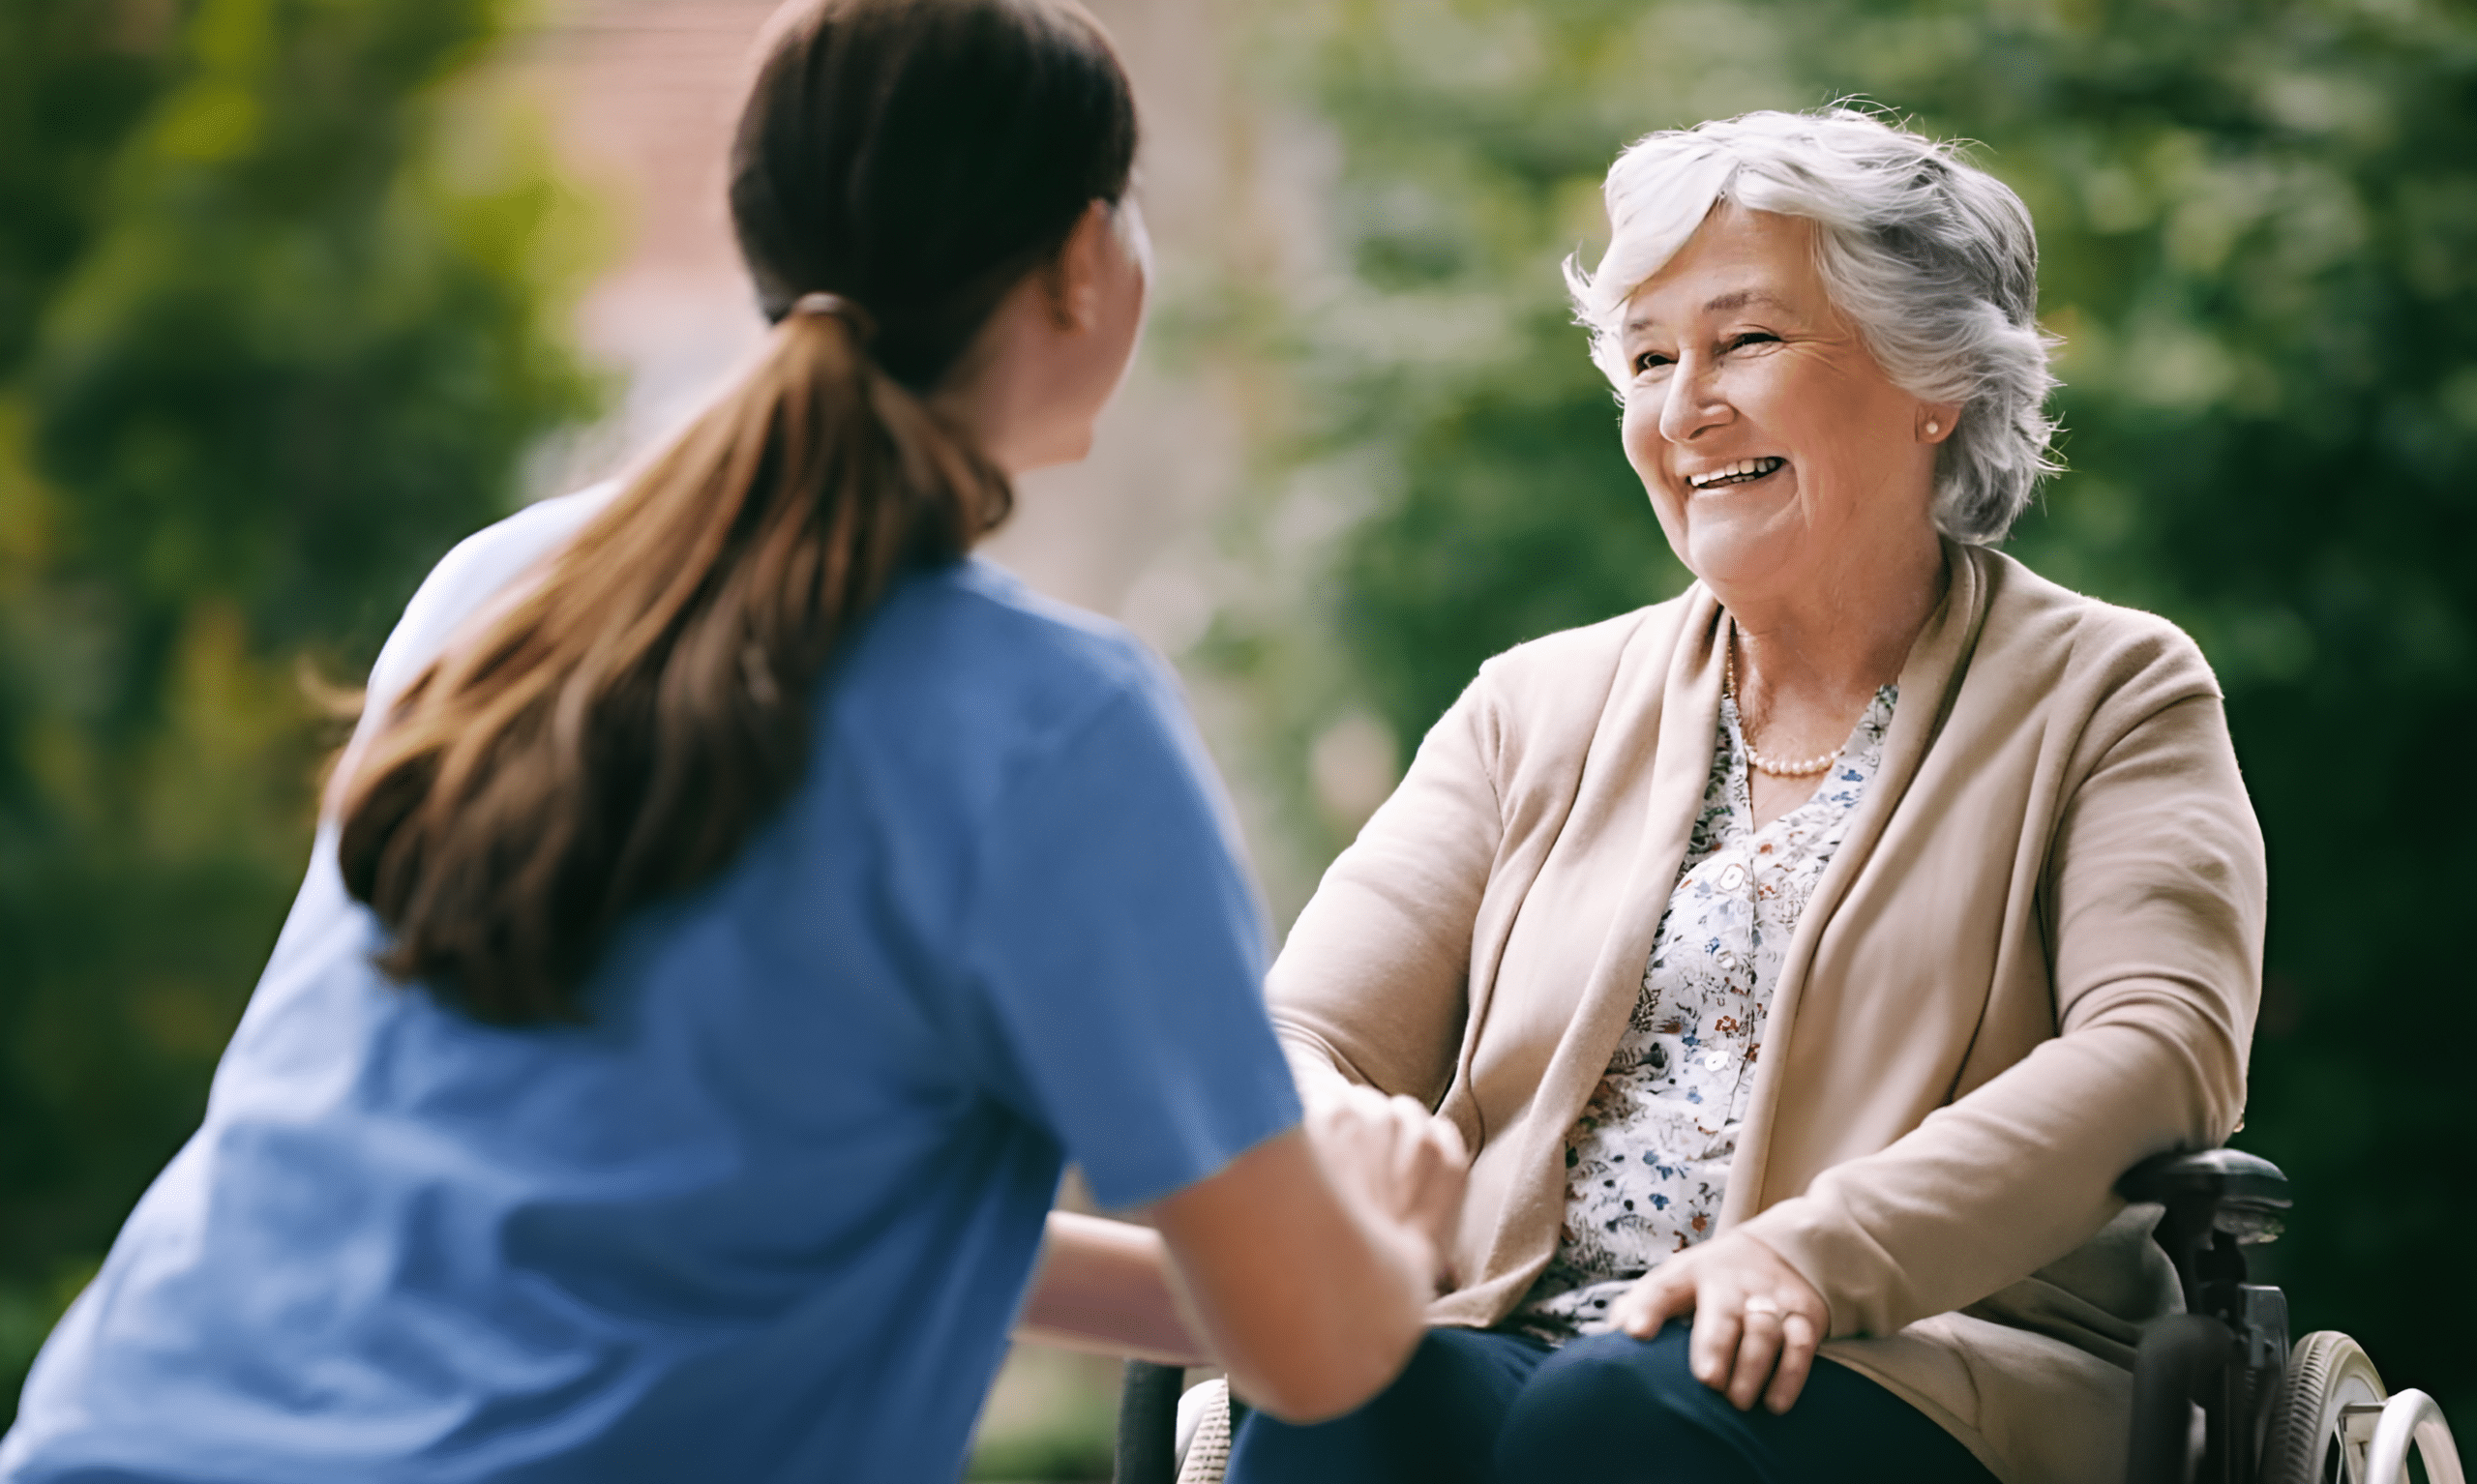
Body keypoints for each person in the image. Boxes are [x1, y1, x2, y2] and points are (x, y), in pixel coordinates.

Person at [0, 3, 1464, 1480]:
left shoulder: (501, 589)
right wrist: (1386, 1243)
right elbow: (1316, 1354)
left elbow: (736, 1205)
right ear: (1083, 264)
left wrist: (1224, 1282)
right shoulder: (1056, 728)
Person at [1227, 107, 2265, 1484]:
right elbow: (1303, 1032)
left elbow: (2160, 1049)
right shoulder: (1529, 705)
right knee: (1343, 1392)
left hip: (1926, 1359)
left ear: (1930, 375)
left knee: (1618, 1417)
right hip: (1526, 1334)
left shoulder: (2112, 690)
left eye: (1746, 341)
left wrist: (1815, 1254)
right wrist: (1335, 1123)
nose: (1682, 407)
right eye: (1649, 360)